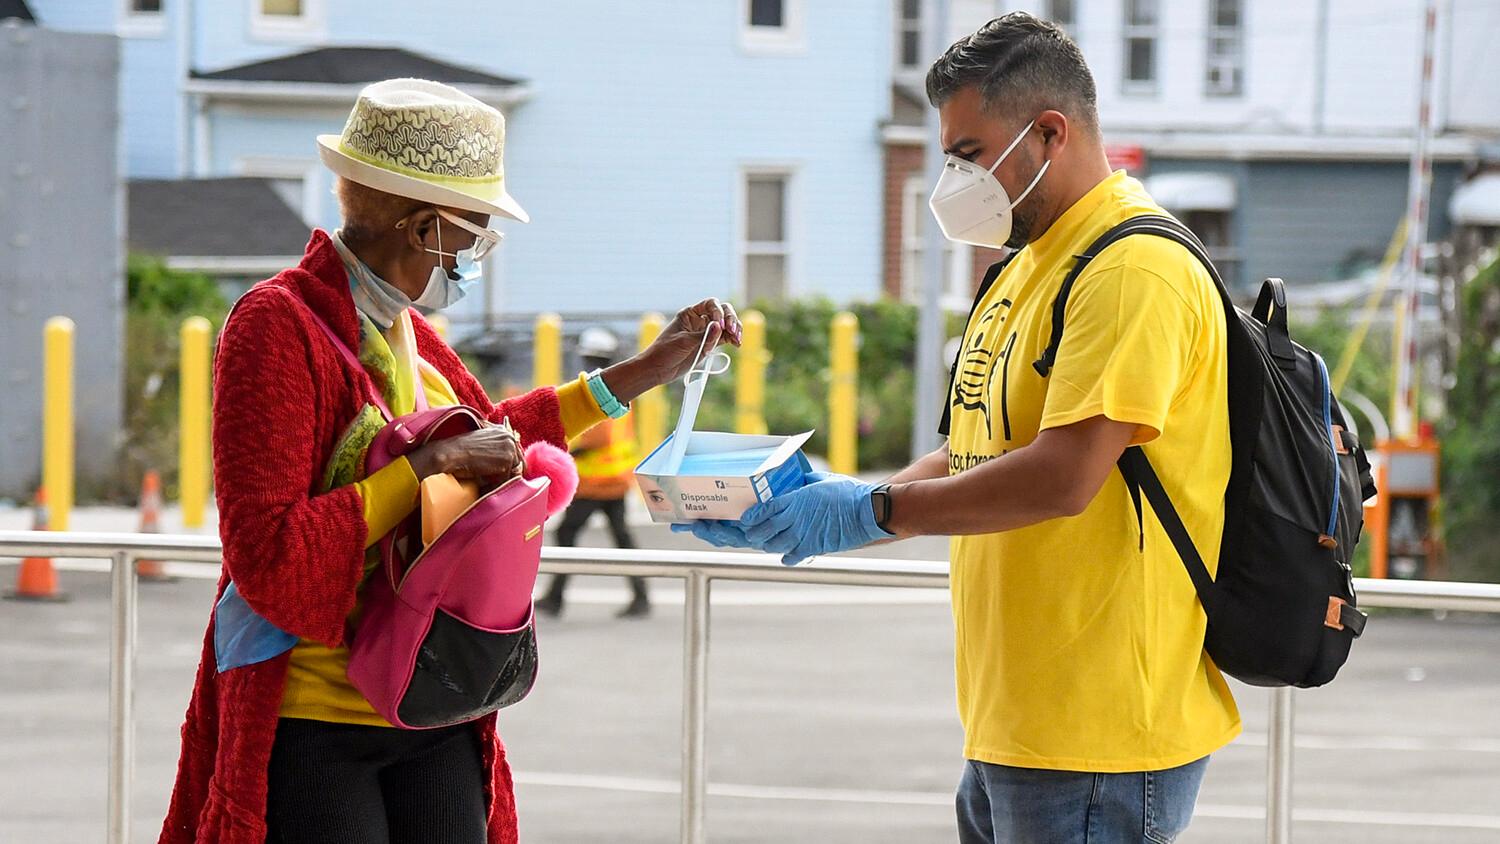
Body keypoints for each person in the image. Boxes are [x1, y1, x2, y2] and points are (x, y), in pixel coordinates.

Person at [679, 15, 1238, 843]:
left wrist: (874, 513)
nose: (955, 178)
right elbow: (975, 450)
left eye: (970, 154)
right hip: (1017, 718)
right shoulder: (1028, 262)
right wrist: (843, 503)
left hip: (1099, 732)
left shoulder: (1132, 269)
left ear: (1050, 132)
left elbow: (1063, 476)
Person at [159, 78, 741, 844]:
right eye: (474, 232)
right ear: (423, 225)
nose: (473, 255)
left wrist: (645, 369)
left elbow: (498, 434)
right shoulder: (275, 326)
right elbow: (268, 553)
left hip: (428, 700)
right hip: (313, 718)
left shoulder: (406, 330)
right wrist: (426, 470)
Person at [536, 327, 650, 619]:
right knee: (621, 539)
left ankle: (555, 598)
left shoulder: (601, 388)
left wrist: (564, 450)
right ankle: (641, 597)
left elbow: (598, 437)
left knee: (567, 533)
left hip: (596, 484)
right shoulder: (622, 384)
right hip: (615, 480)